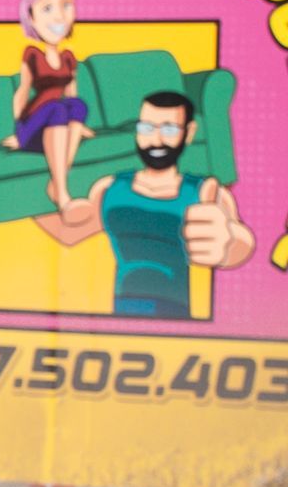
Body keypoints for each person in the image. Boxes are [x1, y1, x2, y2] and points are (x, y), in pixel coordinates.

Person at [36, 89, 255, 316]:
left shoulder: (204, 190)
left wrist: (229, 244)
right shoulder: (110, 187)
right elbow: (69, 234)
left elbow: (239, 241)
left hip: (174, 313)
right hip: (123, 312)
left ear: (189, 133)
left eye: (169, 129)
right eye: (147, 128)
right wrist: (25, 198)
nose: (156, 140)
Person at [4, 0, 92, 216]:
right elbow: (22, 92)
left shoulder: (68, 58)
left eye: (66, 5)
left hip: (58, 127)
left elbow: (72, 96)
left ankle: (55, 184)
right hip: (33, 127)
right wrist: (18, 132)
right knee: (56, 107)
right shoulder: (32, 54)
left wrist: (78, 127)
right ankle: (63, 197)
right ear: (31, 17)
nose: (58, 15)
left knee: (78, 105)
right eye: (47, 8)